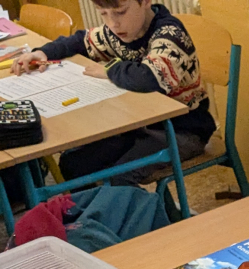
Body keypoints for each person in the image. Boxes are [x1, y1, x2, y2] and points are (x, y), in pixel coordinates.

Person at [11, 0, 214, 187]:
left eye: (120, 12)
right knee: (74, 163)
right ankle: (93, 212)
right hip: (139, 124)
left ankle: (131, 212)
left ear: (146, 2)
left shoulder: (170, 34)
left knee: (120, 177)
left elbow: (149, 78)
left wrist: (109, 70)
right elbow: (80, 41)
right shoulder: (119, 32)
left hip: (183, 131)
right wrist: (42, 53)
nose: (113, 23)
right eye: (103, 14)